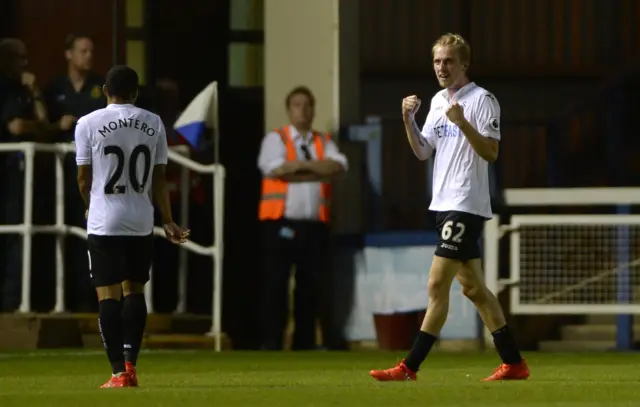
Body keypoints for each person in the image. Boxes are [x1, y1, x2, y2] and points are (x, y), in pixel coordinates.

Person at [369, 33, 530, 382]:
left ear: (464, 64)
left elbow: (490, 152)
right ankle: (514, 363)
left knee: (435, 285)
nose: (441, 68)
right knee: (473, 288)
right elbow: (423, 151)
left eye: (448, 61)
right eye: (437, 61)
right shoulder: (438, 101)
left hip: (465, 203)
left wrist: (463, 123)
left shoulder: (483, 100)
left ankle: (409, 367)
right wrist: (407, 119)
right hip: (443, 204)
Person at [74, 65, 189, 388]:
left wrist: (89, 205)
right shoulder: (153, 123)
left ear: (105, 91)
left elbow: (84, 178)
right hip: (140, 220)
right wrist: (167, 220)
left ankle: (116, 373)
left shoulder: (88, 123)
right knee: (134, 290)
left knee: (108, 295)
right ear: (136, 92)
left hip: (105, 220)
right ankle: (131, 364)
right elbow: (159, 178)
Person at [257, 86, 348, 351]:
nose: (303, 110)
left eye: (308, 105)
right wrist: (314, 168)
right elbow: (274, 169)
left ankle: (304, 344)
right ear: (289, 109)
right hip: (280, 224)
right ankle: (271, 342)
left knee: (310, 288)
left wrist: (297, 166)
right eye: (297, 105)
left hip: (314, 226)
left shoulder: (323, 141)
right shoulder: (277, 139)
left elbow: (339, 166)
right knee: (276, 285)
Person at [45, 33, 106, 312]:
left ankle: (88, 302)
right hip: (59, 176)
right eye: (83, 50)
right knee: (59, 237)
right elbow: (42, 123)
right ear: (69, 54)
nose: (89, 56)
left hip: (92, 175)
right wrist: (58, 123)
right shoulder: (54, 88)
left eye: (91, 50)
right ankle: (59, 299)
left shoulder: (99, 88)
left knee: (90, 238)